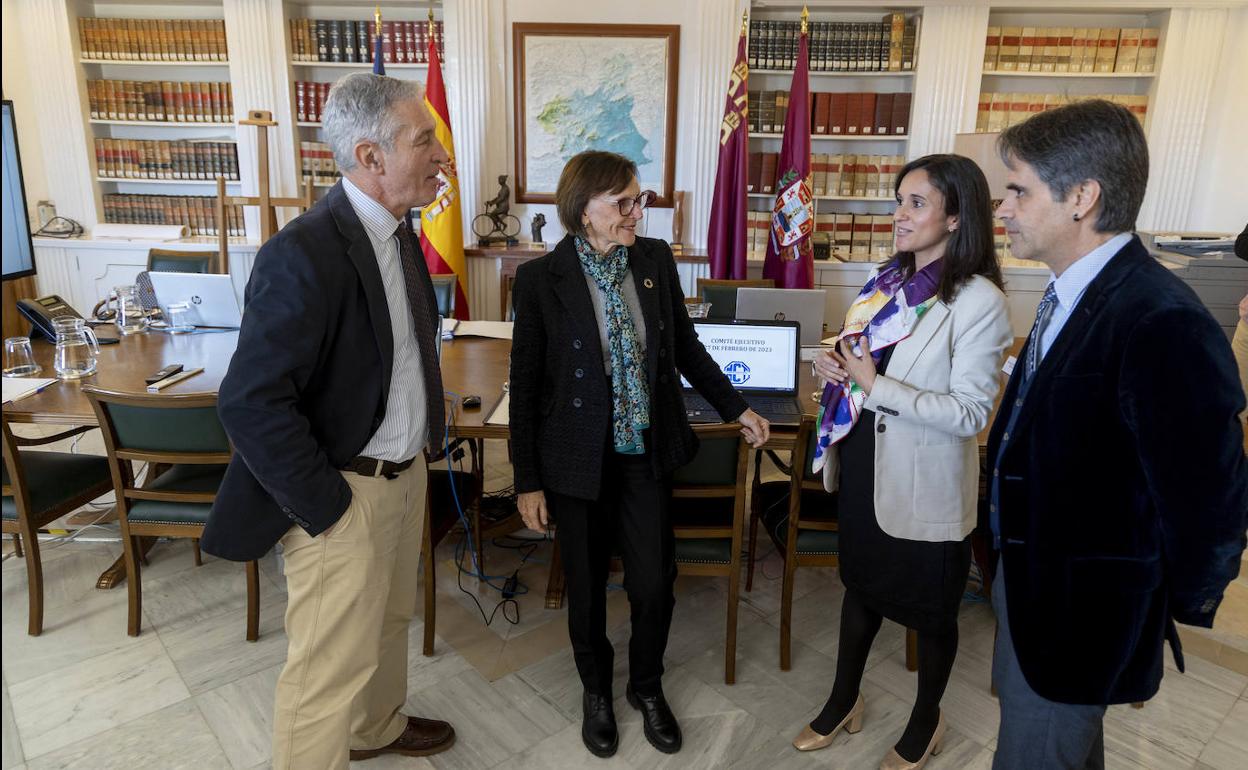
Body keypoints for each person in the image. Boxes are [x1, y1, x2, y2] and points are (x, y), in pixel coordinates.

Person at [201, 73, 457, 769]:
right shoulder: (304, 251)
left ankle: (375, 729)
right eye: (424, 139)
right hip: (345, 494)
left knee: (388, 623)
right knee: (327, 671)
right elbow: (251, 401)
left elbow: (392, 358)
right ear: (371, 157)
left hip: (404, 477)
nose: (442, 155)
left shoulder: (400, 234)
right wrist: (329, 508)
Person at [986, 99, 1247, 769]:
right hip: (1034, 584)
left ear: (1081, 197)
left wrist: (1172, 604)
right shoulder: (1069, 290)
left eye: (1018, 189)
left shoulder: (1159, 318)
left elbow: (1206, 496)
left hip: (1081, 616)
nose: (1003, 208)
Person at [509, 150, 771, 759]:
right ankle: (596, 691)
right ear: (583, 210)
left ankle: (646, 686)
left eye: (639, 199)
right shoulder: (541, 280)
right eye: (622, 202)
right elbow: (525, 386)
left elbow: (685, 348)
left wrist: (737, 408)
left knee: (655, 582)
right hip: (574, 459)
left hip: (643, 452)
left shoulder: (652, 260)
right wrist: (527, 480)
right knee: (588, 588)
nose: (636, 212)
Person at [793, 154, 1011, 769]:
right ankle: (843, 700)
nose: (899, 214)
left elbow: (970, 414)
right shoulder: (885, 282)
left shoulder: (979, 302)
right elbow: (863, 362)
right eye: (899, 200)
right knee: (859, 588)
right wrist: (836, 367)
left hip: (924, 482)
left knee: (931, 613)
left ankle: (927, 718)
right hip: (865, 464)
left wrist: (872, 383)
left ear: (956, 216)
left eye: (917, 203)